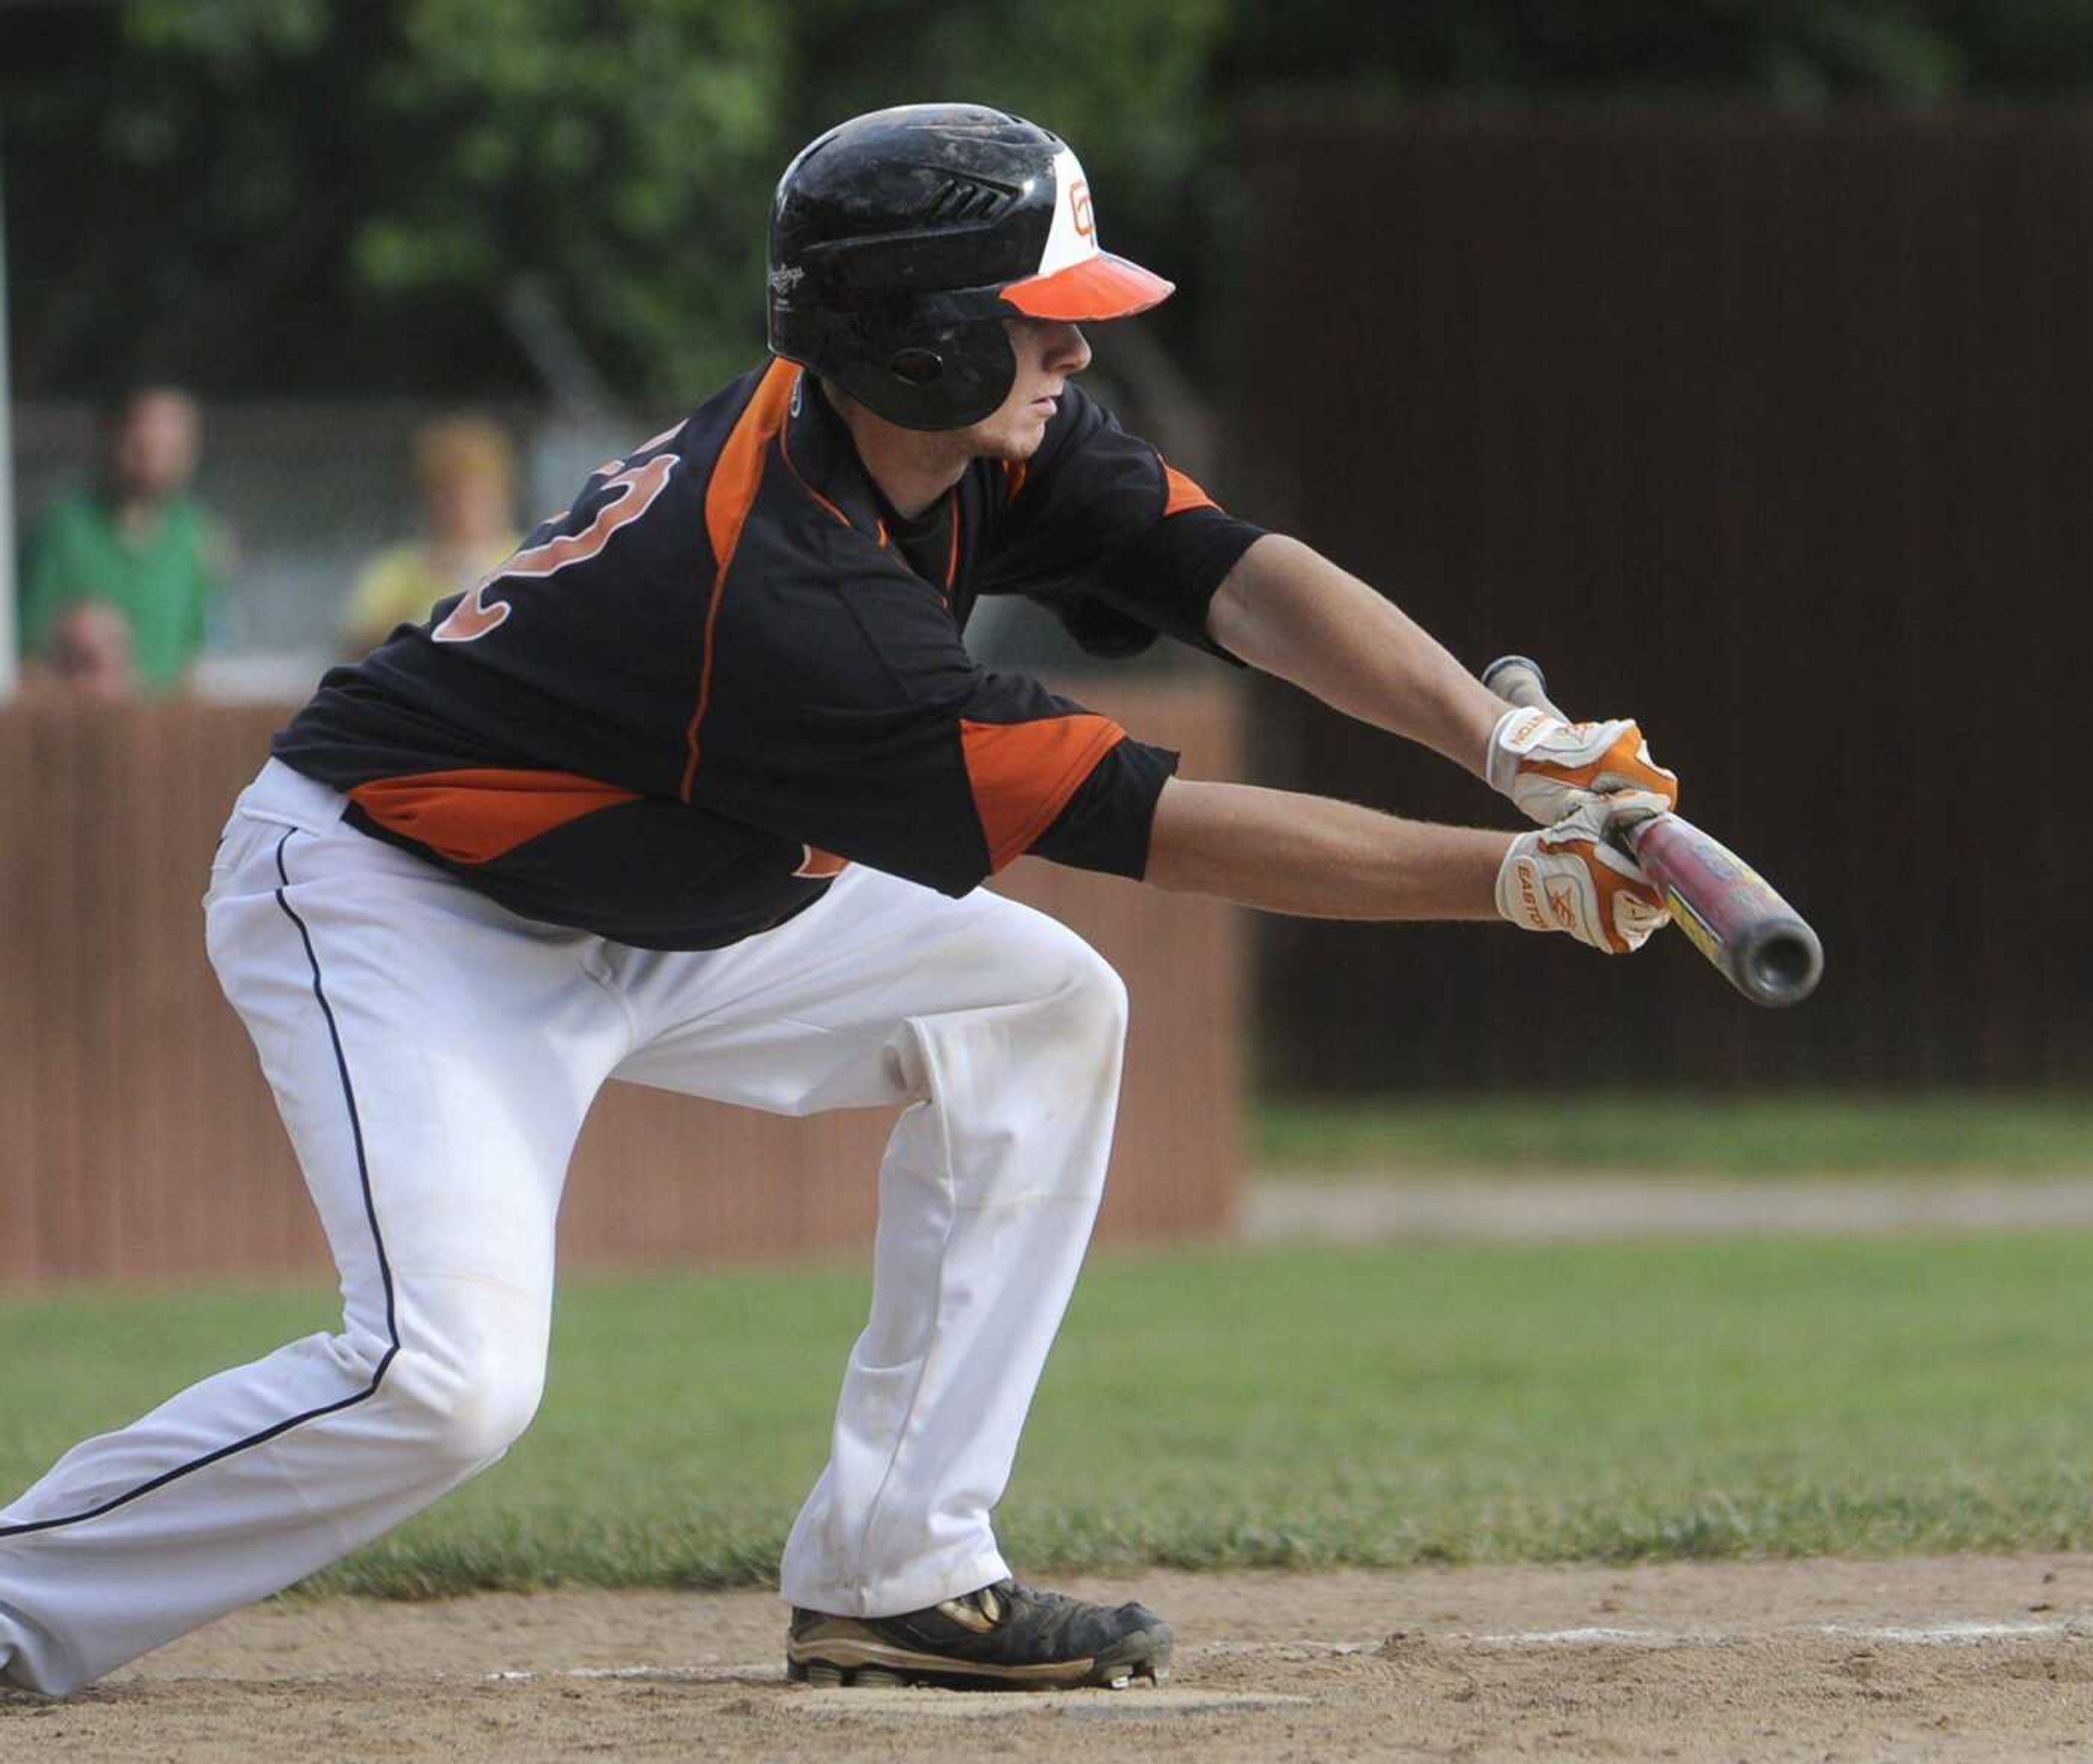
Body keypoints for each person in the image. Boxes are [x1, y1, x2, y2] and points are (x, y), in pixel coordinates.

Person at [0, 104, 1679, 1698]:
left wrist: (1502, 736)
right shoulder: (790, 599)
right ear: (928, 338)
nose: (1077, 349)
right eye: (1040, 317)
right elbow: (1152, 822)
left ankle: (900, 1562)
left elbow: (1231, 569)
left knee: (1035, 1007)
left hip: (676, 883)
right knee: (444, 1380)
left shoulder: (953, 436)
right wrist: (1515, 881)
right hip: (407, 898)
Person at [16, 386, 217, 693]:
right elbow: (28, 654)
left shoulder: (195, 535)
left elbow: (192, 657)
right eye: (143, 447)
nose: (156, 465)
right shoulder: (64, 528)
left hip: (162, 728)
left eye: (172, 451)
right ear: (113, 438)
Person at [342, 416, 521, 655]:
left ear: (505, 494)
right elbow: (356, 645)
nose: (464, 508)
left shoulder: (529, 557)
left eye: (477, 495)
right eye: (450, 496)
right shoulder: (399, 569)